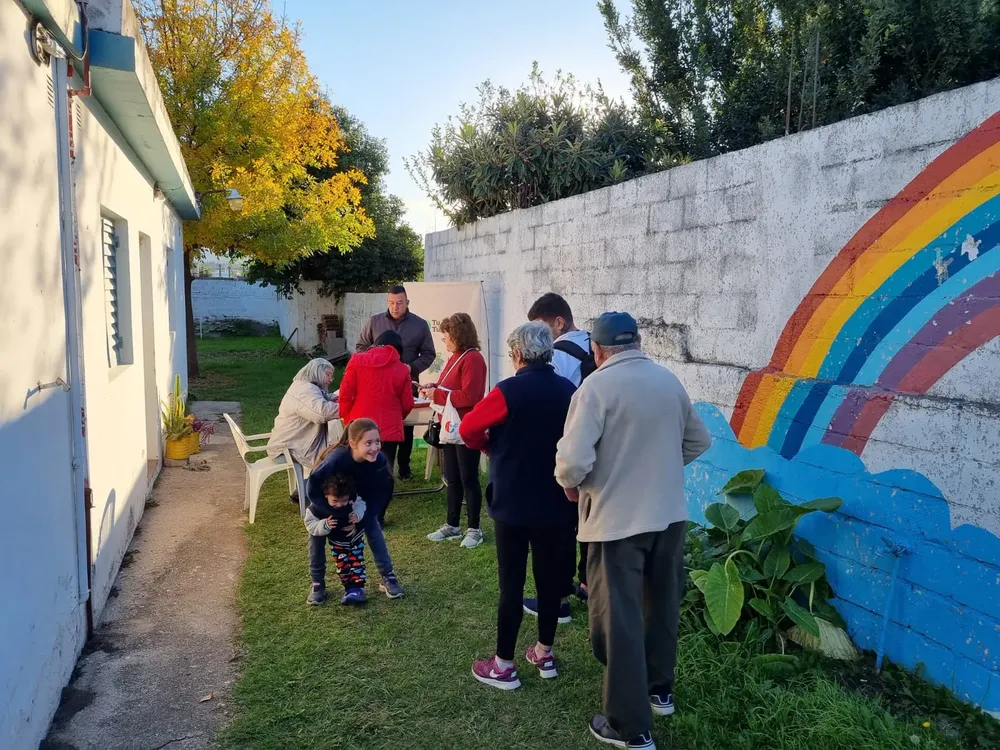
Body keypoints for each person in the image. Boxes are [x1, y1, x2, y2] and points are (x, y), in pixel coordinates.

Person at [555, 312, 712, 750]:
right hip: (669, 515)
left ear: (597, 350)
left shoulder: (595, 388)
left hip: (616, 522)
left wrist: (573, 485)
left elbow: (571, 464)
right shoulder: (668, 381)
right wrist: (658, 470)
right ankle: (660, 691)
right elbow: (699, 441)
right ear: (638, 342)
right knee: (660, 604)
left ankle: (630, 728)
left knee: (618, 618)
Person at [460, 322, 577, 691]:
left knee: (511, 583)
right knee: (549, 581)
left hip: (512, 500)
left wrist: (489, 447)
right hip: (556, 498)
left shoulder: (508, 391)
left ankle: (503, 665)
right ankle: (544, 652)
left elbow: (468, 429)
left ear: (516, 355)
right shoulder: (569, 390)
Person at [522, 293, 592, 624]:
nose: (538, 336)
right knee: (591, 522)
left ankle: (559, 599)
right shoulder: (596, 344)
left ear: (559, 323)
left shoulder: (560, 354)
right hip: (601, 451)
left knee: (561, 526)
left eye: (541, 328)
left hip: (570, 449)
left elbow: (550, 401)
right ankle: (589, 584)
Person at [305, 419, 405, 604]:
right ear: (353, 444)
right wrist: (337, 516)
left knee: (373, 528)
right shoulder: (336, 459)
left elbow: (380, 493)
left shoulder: (379, 461)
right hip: (327, 506)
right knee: (316, 537)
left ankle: (388, 576)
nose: (375, 447)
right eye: (368, 443)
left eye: (377, 441)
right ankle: (317, 583)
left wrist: (360, 519)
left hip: (358, 505)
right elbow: (312, 488)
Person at [419, 313, 488, 549]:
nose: (444, 341)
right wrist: (434, 387)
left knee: (468, 477)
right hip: (451, 427)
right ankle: (452, 524)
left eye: (447, 336)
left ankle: (474, 528)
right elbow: (448, 387)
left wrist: (437, 394)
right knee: (452, 476)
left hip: (465, 426)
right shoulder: (457, 357)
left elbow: (470, 396)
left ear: (458, 336)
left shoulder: (473, 358)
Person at [356, 285, 436, 480]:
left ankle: (404, 466)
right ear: (387, 302)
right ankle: (376, 465)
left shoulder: (419, 325)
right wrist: (375, 361)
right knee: (378, 425)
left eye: (399, 303)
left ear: (407, 302)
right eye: (391, 303)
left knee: (406, 426)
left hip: (407, 382)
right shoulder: (375, 322)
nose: (395, 307)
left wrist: (411, 368)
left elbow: (429, 353)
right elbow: (360, 347)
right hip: (377, 386)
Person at [339, 330, 415, 523]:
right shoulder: (402, 369)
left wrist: (348, 420)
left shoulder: (356, 360)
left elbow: (345, 394)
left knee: (355, 470)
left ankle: (355, 513)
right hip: (388, 429)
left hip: (359, 425)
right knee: (384, 472)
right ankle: (378, 516)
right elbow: (407, 403)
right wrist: (397, 417)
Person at [267, 359, 340, 502]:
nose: (330, 380)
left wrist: (338, 398)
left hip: (293, 442)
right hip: (289, 447)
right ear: (317, 372)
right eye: (328, 375)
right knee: (336, 459)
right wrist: (348, 406)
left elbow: (323, 398)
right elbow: (321, 413)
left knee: (334, 456)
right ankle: (306, 491)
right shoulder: (304, 390)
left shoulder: (306, 387)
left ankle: (305, 490)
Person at [304, 473, 367, 605]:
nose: (340, 505)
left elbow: (361, 505)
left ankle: (357, 589)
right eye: (335, 501)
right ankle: (342, 587)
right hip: (337, 542)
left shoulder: (352, 498)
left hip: (354, 539)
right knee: (343, 566)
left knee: (357, 563)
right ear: (326, 495)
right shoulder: (317, 507)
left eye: (344, 501)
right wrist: (325, 525)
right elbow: (309, 524)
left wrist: (357, 516)